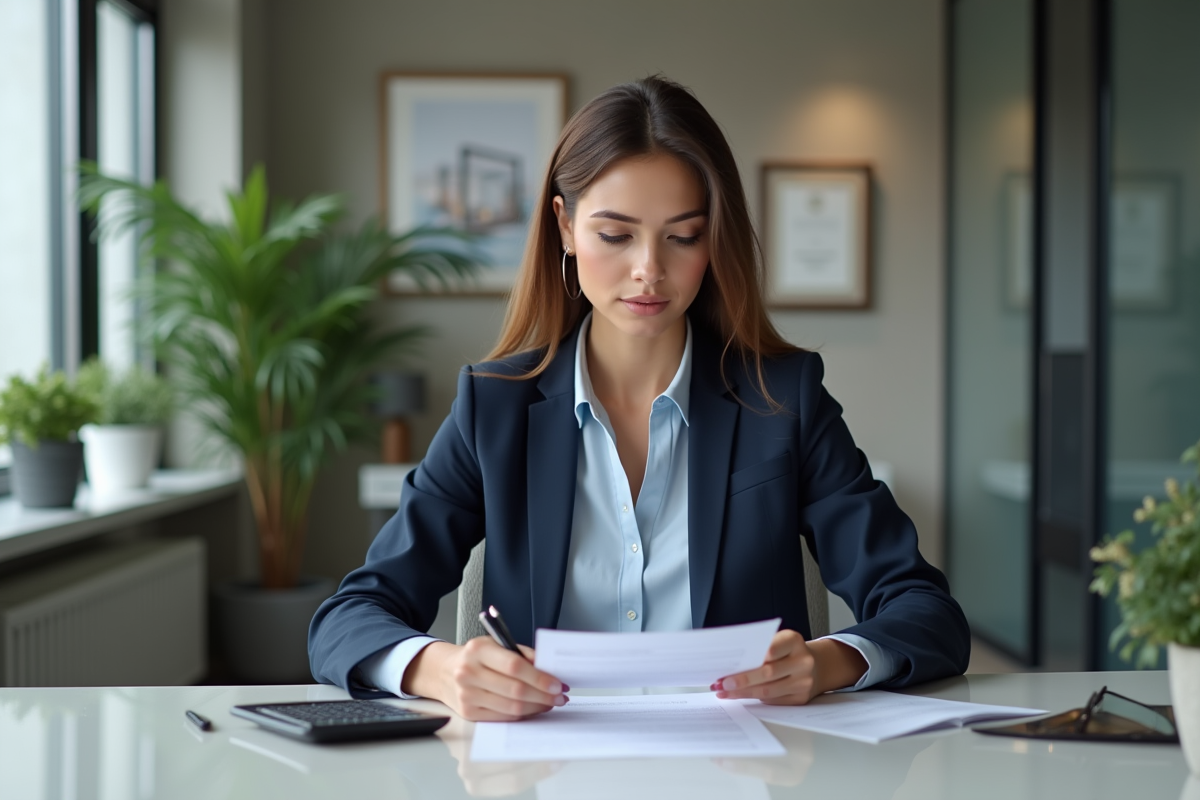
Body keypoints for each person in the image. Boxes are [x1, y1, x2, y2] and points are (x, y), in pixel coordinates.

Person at [309, 76, 970, 721]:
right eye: (616, 235)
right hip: (546, 763)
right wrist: (442, 671)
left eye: (683, 236)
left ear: (714, 239)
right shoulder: (494, 408)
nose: (649, 269)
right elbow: (349, 617)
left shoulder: (783, 399)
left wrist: (827, 663)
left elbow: (925, 611)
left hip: (745, 762)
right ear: (565, 226)